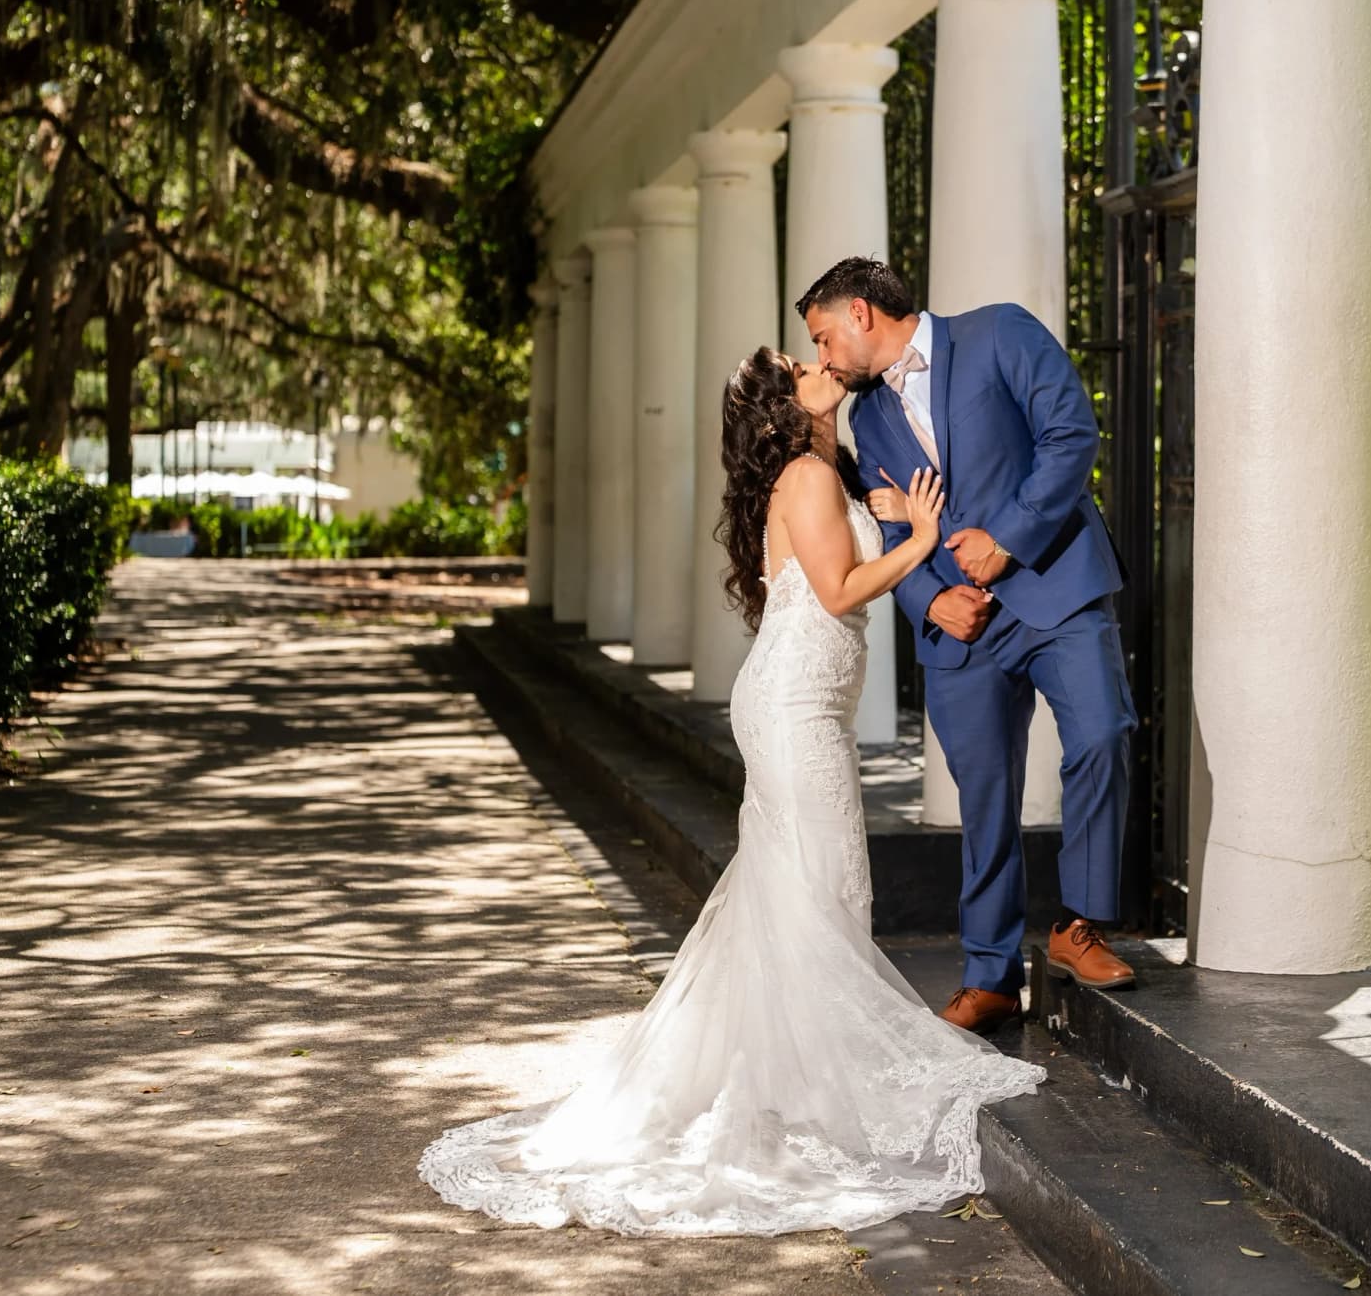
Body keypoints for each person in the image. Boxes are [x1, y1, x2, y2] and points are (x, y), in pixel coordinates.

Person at [419, 346, 1043, 1237]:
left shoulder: (828, 471)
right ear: (791, 405)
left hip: (806, 702)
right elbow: (836, 590)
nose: (822, 364)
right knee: (822, 888)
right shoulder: (805, 474)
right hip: (793, 705)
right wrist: (918, 542)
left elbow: (834, 554)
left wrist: (889, 508)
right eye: (803, 365)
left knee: (807, 889)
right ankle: (811, 1095)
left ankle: (801, 1082)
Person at [801, 256, 1140, 1037]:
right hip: (962, 629)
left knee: (1104, 733)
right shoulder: (868, 420)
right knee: (984, 798)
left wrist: (1009, 542)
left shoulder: (999, 334)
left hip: (1054, 586)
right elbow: (888, 530)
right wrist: (930, 598)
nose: (823, 358)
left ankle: (1079, 926)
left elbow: (1070, 435)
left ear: (860, 314)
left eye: (823, 338)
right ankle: (990, 974)